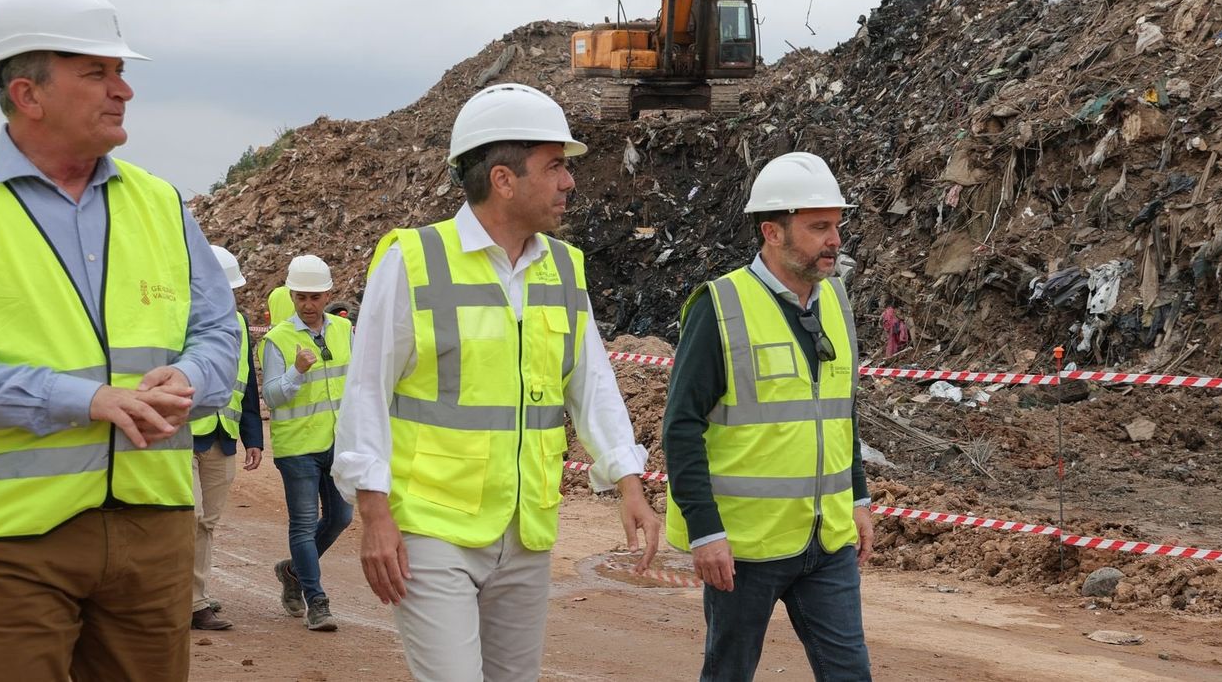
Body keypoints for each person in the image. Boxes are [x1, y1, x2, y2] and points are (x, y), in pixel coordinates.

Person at [0, 0, 240, 681]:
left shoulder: (160, 203)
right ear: (29, 94)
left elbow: (219, 332)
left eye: (120, 72)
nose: (123, 90)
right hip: (5, 542)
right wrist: (80, 398)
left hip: (154, 530)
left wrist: (194, 376)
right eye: (98, 73)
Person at [334, 83, 660, 682]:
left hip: (526, 526)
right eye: (556, 166)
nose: (569, 182)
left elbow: (590, 383)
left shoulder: (562, 267)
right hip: (432, 529)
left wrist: (629, 480)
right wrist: (374, 515)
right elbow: (365, 394)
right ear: (504, 179)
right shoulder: (413, 260)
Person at [663, 151, 873, 682]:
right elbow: (681, 425)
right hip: (744, 548)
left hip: (826, 540)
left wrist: (859, 497)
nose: (835, 240)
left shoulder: (836, 302)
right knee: (729, 672)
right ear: (772, 232)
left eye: (838, 225)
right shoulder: (722, 306)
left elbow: (839, 412)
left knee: (851, 673)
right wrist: (705, 532)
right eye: (819, 227)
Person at [260, 254, 353, 632]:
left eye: (315, 297)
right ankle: (317, 601)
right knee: (302, 524)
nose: (308, 305)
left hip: (338, 442)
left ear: (328, 293)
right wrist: (296, 372)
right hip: (297, 447)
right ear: (292, 295)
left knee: (341, 517)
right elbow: (272, 396)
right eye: (301, 297)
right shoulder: (277, 339)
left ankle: (293, 572)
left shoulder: (344, 331)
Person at [189, 245, 265, 631]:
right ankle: (172, 597)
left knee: (207, 523)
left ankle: (195, 601)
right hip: (181, 436)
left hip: (223, 434)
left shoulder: (237, 322)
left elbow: (246, 382)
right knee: (188, 517)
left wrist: (253, 436)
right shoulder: (177, 318)